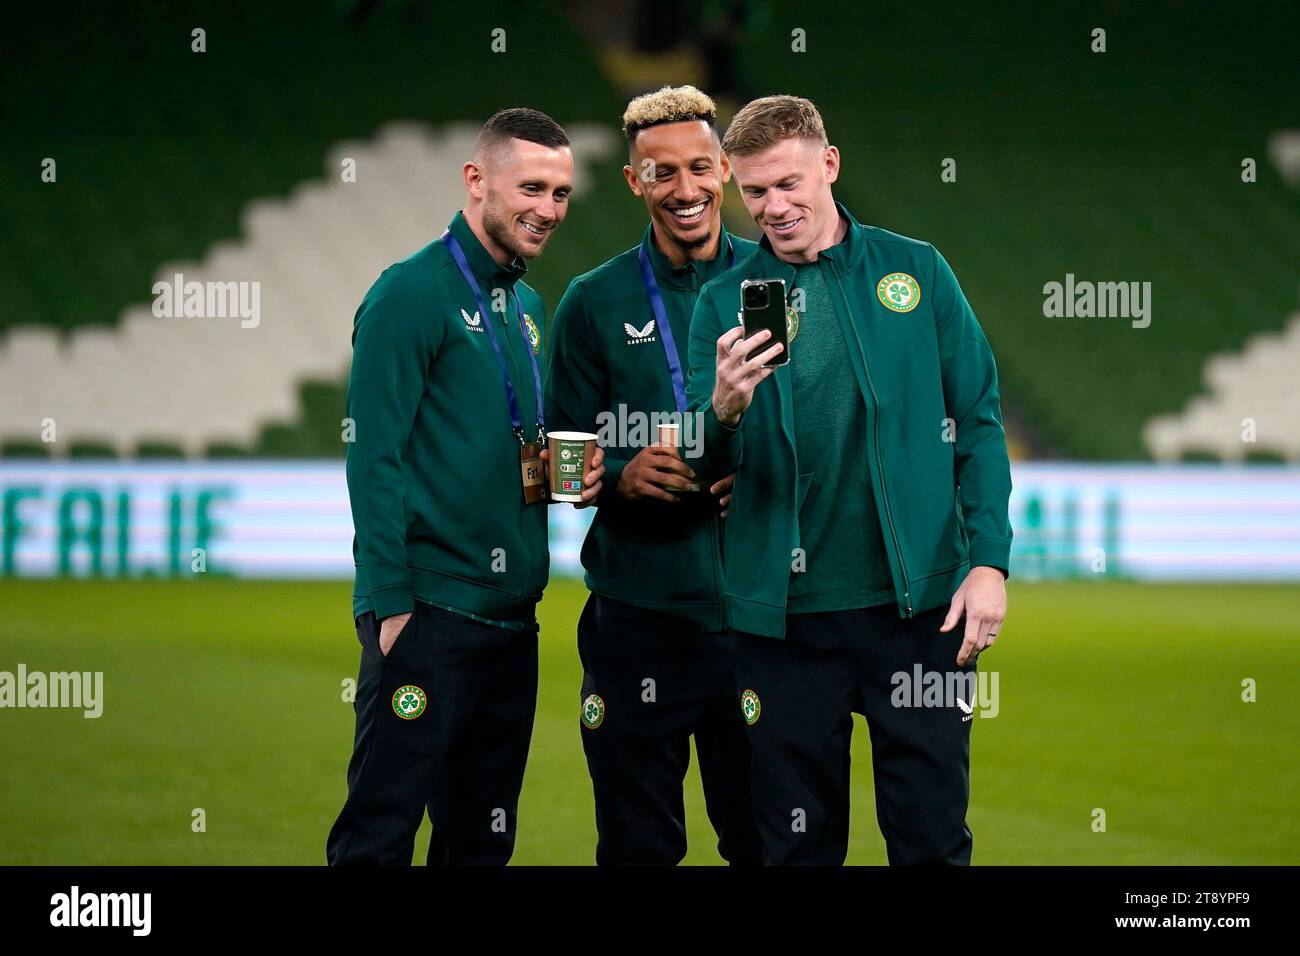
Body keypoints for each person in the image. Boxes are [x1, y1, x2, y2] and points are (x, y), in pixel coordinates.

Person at [686, 94, 1013, 865]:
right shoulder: (720, 305)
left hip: (922, 619)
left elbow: (978, 421)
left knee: (932, 841)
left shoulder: (916, 272)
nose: (775, 206)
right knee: (796, 851)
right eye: (756, 191)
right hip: (786, 626)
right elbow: (701, 467)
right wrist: (724, 408)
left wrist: (989, 562)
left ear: (828, 165)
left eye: (790, 183)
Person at [327, 107, 604, 866]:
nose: (547, 210)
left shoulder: (528, 307)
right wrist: (389, 607)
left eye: (560, 192)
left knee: (482, 843)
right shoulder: (408, 294)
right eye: (531, 188)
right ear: (476, 181)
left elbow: (510, 445)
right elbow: (371, 455)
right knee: (378, 835)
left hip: (512, 623)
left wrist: (583, 469)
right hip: (428, 617)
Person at [544, 85, 761, 865]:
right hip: (636, 619)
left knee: (768, 843)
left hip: (759, 618)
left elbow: (818, 432)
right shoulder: (591, 302)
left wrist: (762, 475)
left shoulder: (773, 289)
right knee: (637, 847)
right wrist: (614, 481)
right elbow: (557, 467)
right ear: (635, 182)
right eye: (661, 173)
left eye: (700, 167)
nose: (685, 189)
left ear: (726, 170)